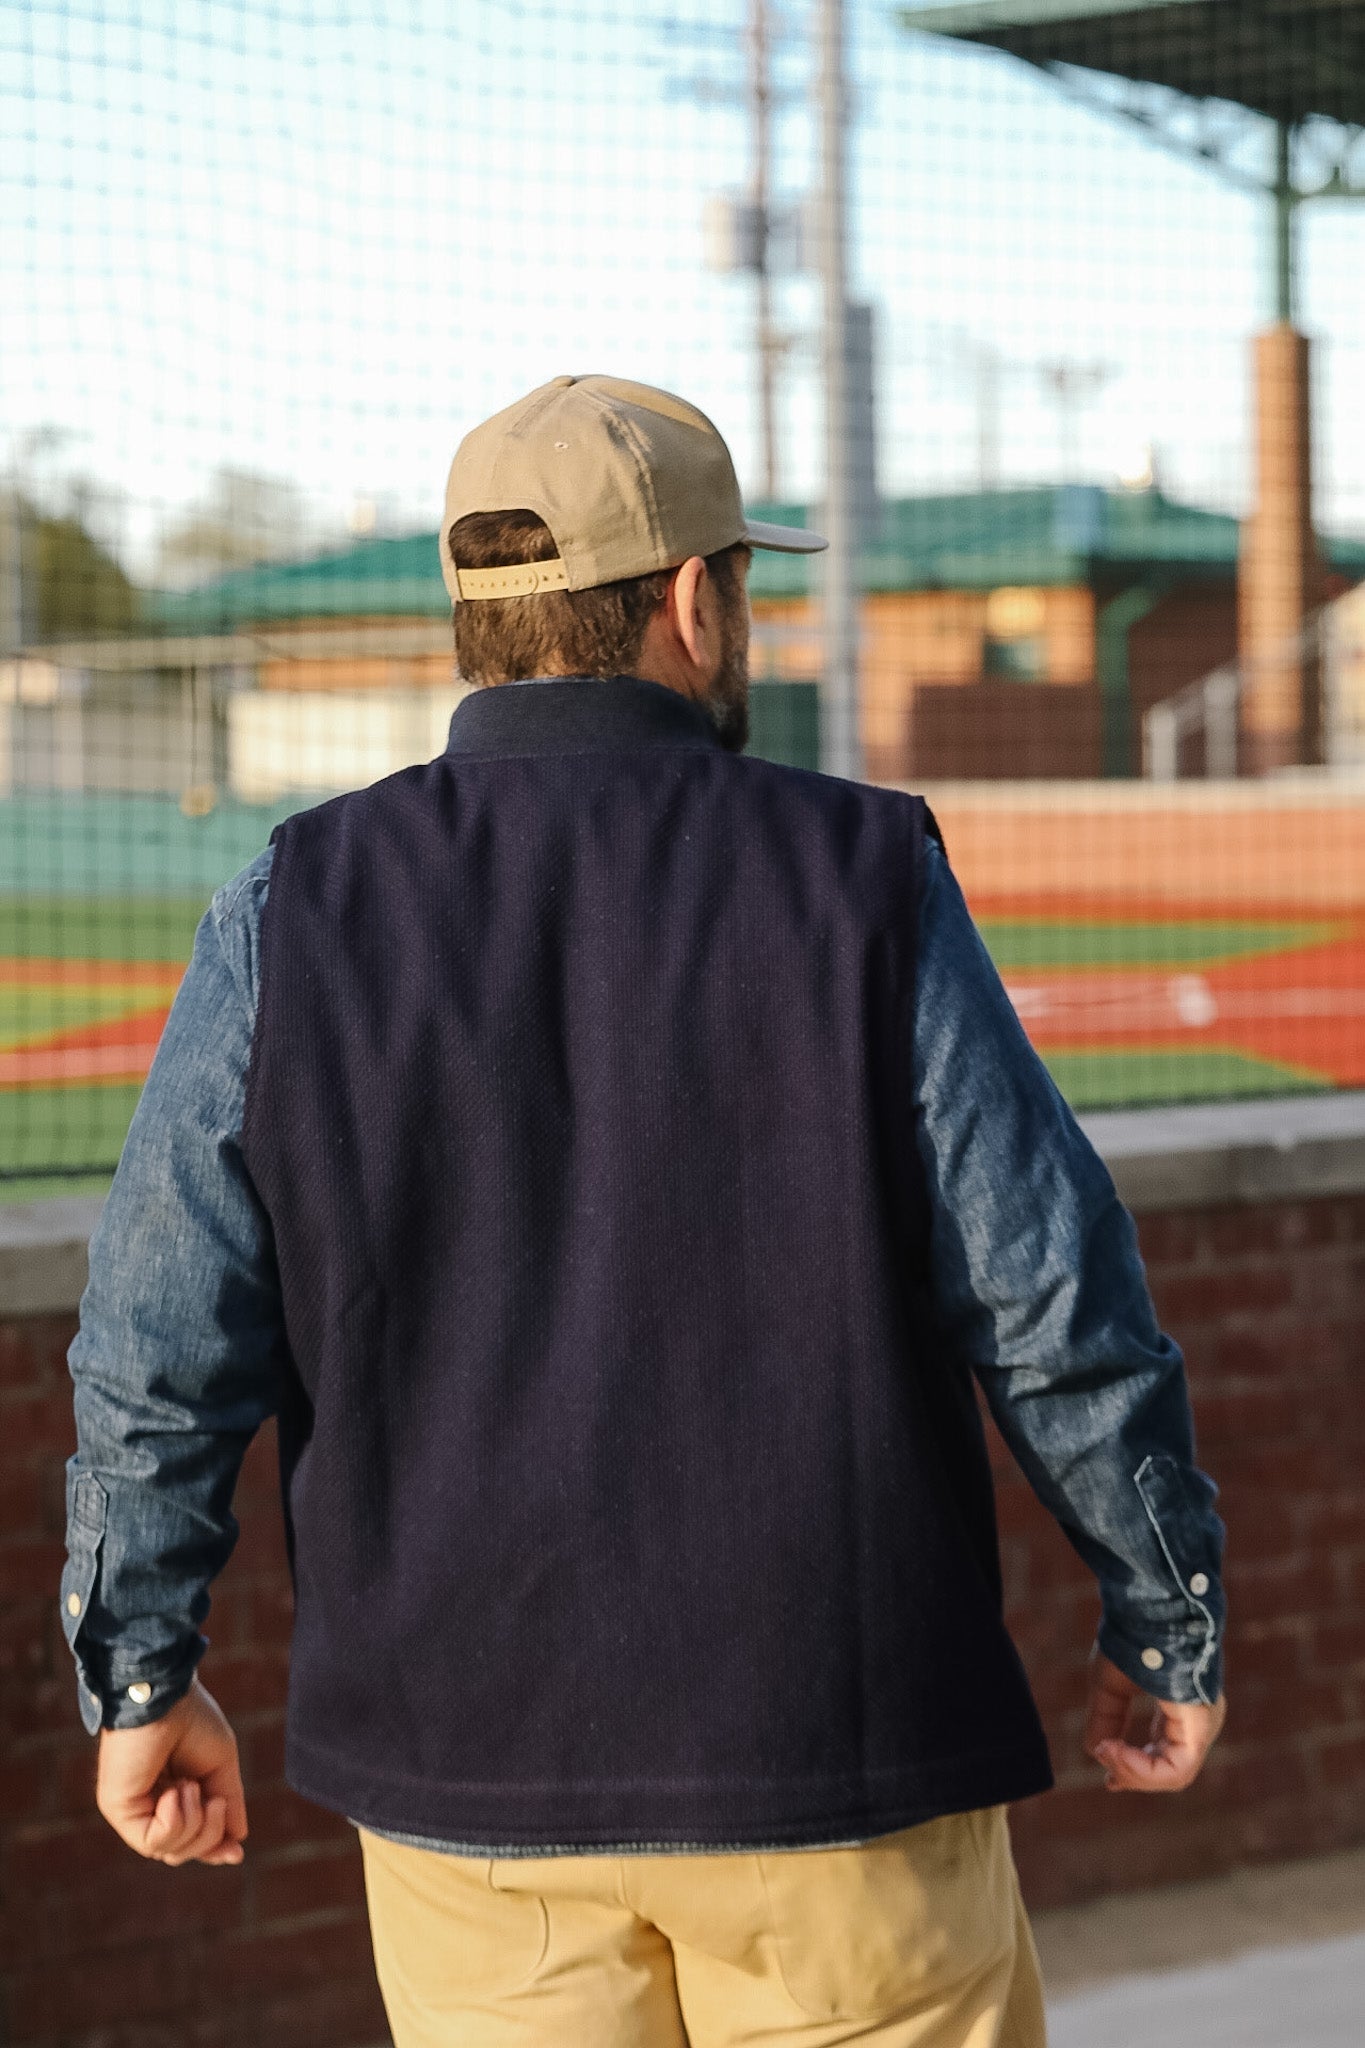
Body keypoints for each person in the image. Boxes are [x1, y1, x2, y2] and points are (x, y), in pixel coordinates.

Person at [63, 374, 1226, 2048]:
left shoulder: (289, 905)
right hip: (840, 1771)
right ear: (693, 598)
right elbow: (1049, 1298)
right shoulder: (863, 873)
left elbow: (154, 1353)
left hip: (465, 1794)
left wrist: (141, 1677)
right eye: (738, 583)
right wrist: (1163, 1613)